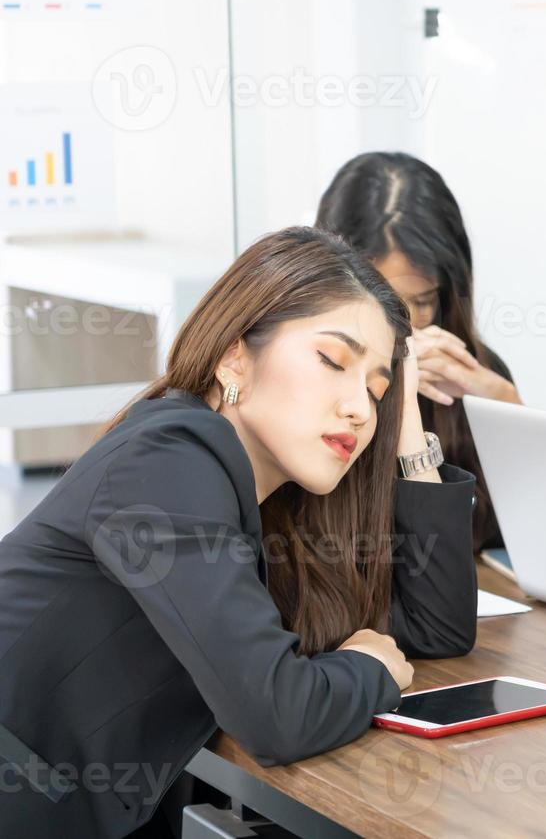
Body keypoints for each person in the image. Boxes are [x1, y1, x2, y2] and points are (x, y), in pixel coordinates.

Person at [0, 228, 477, 838]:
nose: (360, 407)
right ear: (234, 357)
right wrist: (369, 670)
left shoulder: (266, 500)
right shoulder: (166, 462)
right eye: (333, 361)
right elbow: (275, 714)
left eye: (376, 388)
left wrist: (407, 425)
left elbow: (436, 628)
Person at [317, 152, 519, 552]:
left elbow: (524, 536)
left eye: (423, 301)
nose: (405, 326)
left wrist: (507, 407)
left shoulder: (471, 371)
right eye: (386, 302)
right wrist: (390, 393)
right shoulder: (311, 379)